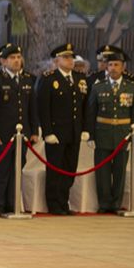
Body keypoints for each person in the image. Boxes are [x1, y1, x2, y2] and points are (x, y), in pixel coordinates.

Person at [34, 42, 89, 215]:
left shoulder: (80, 78)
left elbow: (85, 106)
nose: (70, 60)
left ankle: (64, 202)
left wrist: (85, 128)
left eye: (71, 57)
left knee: (70, 169)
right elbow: (43, 107)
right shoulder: (49, 78)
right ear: (57, 60)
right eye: (65, 57)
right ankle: (54, 203)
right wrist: (48, 132)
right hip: (56, 133)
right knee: (55, 169)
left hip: (74, 131)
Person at [85, 46, 134, 213]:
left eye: (117, 65)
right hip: (103, 133)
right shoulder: (98, 87)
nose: (113, 68)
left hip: (123, 134)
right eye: (110, 65)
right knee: (102, 172)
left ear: (123, 67)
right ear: (106, 67)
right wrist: (91, 136)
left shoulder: (132, 87)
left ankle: (116, 203)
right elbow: (91, 112)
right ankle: (104, 203)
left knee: (120, 171)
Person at [0, 43, 34, 214]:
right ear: (3, 61)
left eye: (18, 57)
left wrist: (34, 131)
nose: (17, 61)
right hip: (3, 133)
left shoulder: (28, 79)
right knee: (3, 169)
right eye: (12, 58)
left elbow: (32, 108)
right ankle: (1, 205)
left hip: (22, 134)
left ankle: (14, 203)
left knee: (18, 169)